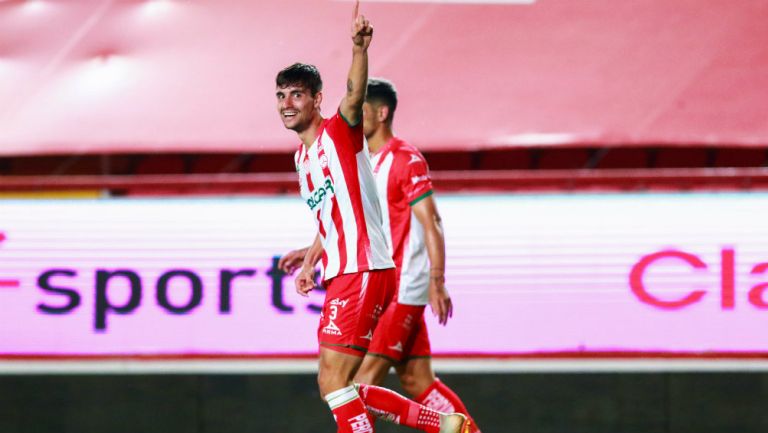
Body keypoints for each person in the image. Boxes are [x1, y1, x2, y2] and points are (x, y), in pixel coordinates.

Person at [274, 2, 470, 433]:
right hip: (346, 271)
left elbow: (354, 94)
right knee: (342, 385)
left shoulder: (338, 132)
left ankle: (441, 426)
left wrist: (359, 49)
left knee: (334, 379)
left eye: (297, 94)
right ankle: (445, 425)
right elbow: (331, 216)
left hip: (364, 270)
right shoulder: (302, 157)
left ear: (316, 99)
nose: (287, 104)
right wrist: (310, 260)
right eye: (281, 95)